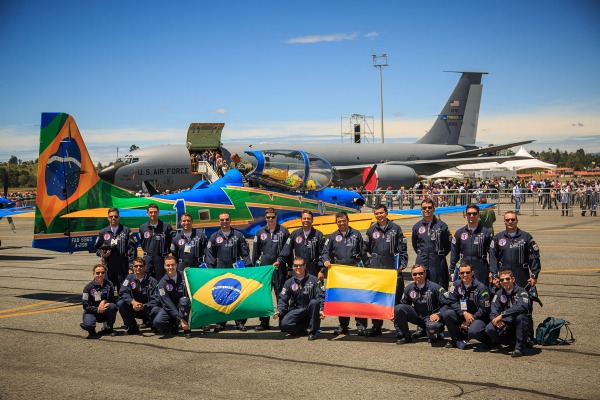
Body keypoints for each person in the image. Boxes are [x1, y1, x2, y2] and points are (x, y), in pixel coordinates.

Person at [364, 204, 409, 337]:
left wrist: (402, 266)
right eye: (376, 213)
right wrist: (368, 264)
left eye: (381, 213)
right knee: (377, 300)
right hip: (377, 272)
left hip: (393, 271)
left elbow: (403, 250)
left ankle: (400, 329)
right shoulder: (371, 230)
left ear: (387, 213)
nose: (379, 215)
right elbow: (363, 249)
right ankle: (376, 327)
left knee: (395, 301)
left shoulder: (396, 229)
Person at [321, 211, 368, 336]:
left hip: (355, 271)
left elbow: (363, 252)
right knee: (342, 300)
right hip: (340, 273)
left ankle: (361, 325)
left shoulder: (356, 234)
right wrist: (325, 261)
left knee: (358, 299)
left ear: (348, 220)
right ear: (336, 223)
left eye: (344, 221)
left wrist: (368, 268)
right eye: (339, 221)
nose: (342, 223)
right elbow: (325, 252)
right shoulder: (332, 236)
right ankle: (343, 326)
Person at [205, 211, 251, 332]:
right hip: (220, 269)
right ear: (218, 221)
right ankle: (220, 323)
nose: (224, 222)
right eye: (222, 220)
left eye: (226, 219)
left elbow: (245, 253)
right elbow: (210, 255)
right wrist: (211, 270)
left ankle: (240, 322)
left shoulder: (239, 235)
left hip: (235, 269)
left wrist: (248, 267)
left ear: (230, 220)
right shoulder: (214, 237)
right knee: (221, 296)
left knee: (238, 295)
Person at [252, 208, 291, 331]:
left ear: (276, 217)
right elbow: (255, 252)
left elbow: (289, 251)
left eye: (272, 217)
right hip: (264, 270)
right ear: (265, 218)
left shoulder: (284, 231)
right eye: (268, 217)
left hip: (279, 268)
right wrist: (255, 269)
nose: (270, 219)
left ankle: (283, 322)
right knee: (264, 296)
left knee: (281, 295)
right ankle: (264, 322)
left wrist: (290, 268)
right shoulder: (259, 232)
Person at [393, 264, 449, 345]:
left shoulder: (435, 287)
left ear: (425, 273)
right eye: (415, 274)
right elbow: (404, 304)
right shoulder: (409, 288)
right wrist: (395, 313)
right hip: (418, 316)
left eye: (420, 273)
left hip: (432, 317)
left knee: (432, 329)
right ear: (412, 275)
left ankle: (437, 333)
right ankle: (404, 335)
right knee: (399, 308)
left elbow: (447, 304)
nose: (418, 276)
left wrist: (438, 315)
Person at [441, 262, 492, 349]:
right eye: (462, 273)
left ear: (472, 273)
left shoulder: (481, 288)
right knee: (447, 314)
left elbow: (484, 308)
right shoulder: (456, 285)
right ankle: (456, 340)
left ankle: (489, 341)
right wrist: (464, 313)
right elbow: (452, 301)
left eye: (467, 272)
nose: (465, 275)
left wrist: (470, 320)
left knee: (474, 331)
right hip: (463, 314)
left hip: (479, 317)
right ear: (459, 274)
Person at [274, 257, 325, 341]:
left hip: (310, 310)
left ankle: (313, 332)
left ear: (305, 266)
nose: (298, 267)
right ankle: (302, 329)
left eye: (300, 265)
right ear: (293, 267)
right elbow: (283, 299)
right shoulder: (289, 282)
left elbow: (321, 295)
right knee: (284, 324)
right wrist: (279, 310)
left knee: (314, 302)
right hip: (297, 310)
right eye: (296, 265)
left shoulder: (314, 280)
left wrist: (322, 309)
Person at [484, 268, 531, 357]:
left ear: (513, 279)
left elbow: (522, 306)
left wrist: (502, 315)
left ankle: (520, 348)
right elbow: (493, 308)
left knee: (521, 317)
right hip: (506, 323)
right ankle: (511, 343)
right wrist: (495, 320)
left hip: (519, 323)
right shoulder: (499, 293)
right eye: (502, 280)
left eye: (507, 279)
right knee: (489, 328)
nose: (505, 281)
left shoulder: (522, 292)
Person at [489, 211, 540, 289]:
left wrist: (534, 275)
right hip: (504, 276)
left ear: (517, 221)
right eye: (507, 220)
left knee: (522, 299)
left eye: (513, 219)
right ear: (504, 222)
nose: (510, 222)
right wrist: (494, 275)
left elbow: (533, 257)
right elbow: (493, 258)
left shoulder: (526, 237)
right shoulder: (498, 238)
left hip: (522, 275)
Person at [94, 208, 137, 292]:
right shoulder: (103, 232)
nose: (113, 218)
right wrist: (103, 254)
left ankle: (121, 304)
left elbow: (133, 250)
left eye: (115, 216)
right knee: (108, 289)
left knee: (123, 289)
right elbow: (97, 248)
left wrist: (131, 266)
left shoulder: (126, 231)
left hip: (122, 264)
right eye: (111, 216)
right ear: (108, 218)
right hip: (108, 265)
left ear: (119, 217)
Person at [411, 199, 452, 289]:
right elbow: (415, 244)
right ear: (421, 210)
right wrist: (423, 254)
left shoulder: (442, 226)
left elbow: (448, 245)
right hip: (422, 260)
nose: (427, 210)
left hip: (437, 260)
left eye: (429, 207)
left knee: (439, 286)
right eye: (424, 208)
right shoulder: (417, 227)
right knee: (421, 286)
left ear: (434, 209)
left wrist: (438, 254)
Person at [449, 204, 493, 286]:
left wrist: (492, 271)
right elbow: (454, 253)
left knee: (482, 291)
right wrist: (451, 270)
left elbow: (492, 254)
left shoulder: (486, 232)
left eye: (474, 213)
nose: (471, 216)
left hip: (481, 266)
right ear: (465, 215)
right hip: (464, 266)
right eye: (469, 214)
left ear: (478, 215)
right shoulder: (459, 233)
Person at [117, 258, 161, 335]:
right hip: (134, 308)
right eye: (136, 266)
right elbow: (122, 292)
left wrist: (144, 306)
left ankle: (154, 325)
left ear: (145, 267)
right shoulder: (129, 278)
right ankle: (132, 327)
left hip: (147, 309)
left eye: (141, 266)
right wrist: (133, 302)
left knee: (157, 309)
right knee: (121, 303)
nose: (138, 268)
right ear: (133, 267)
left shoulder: (152, 281)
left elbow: (156, 299)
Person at [278, 210, 325, 280]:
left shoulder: (318, 235)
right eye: (304, 218)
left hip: (314, 271)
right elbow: (286, 249)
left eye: (308, 218)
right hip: (298, 270)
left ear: (312, 220)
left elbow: (323, 253)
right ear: (301, 220)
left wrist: (322, 270)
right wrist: (279, 260)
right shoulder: (295, 234)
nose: (306, 220)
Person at [152, 256, 192, 338]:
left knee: (184, 301)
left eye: (172, 265)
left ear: (176, 265)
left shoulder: (185, 276)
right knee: (158, 321)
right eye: (168, 265)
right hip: (171, 307)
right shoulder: (162, 284)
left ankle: (187, 329)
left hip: (184, 305)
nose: (170, 267)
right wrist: (180, 319)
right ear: (164, 266)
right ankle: (174, 326)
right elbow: (168, 304)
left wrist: (191, 271)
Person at [80, 264, 118, 339]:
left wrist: (104, 302)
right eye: (97, 273)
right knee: (88, 325)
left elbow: (113, 299)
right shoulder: (88, 288)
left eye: (102, 273)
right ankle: (91, 329)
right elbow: (85, 305)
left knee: (113, 306)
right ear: (93, 273)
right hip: (92, 311)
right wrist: (97, 309)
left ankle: (108, 328)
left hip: (105, 310)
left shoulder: (109, 284)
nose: (100, 275)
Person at [138, 203, 174, 279]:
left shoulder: (166, 226)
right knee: (147, 279)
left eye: (155, 212)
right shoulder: (143, 228)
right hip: (148, 258)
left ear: (158, 213)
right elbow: (142, 243)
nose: (153, 214)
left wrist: (166, 252)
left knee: (161, 280)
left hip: (161, 258)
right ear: (147, 213)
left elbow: (171, 242)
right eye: (151, 212)